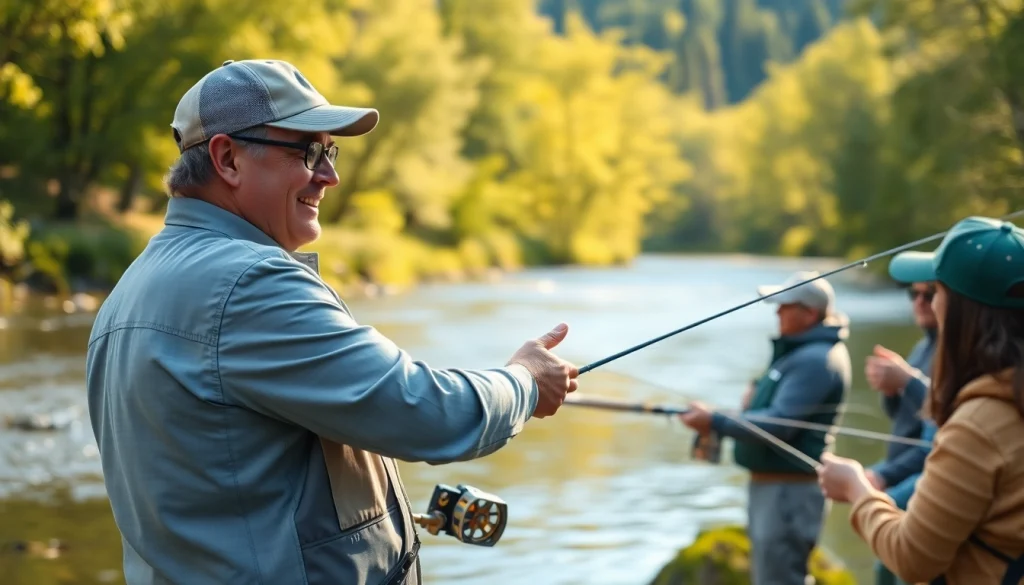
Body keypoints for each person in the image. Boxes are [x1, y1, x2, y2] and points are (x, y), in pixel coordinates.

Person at [85, 59, 579, 585]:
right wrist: (525, 382)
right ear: (227, 158)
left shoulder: (128, 292)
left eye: (330, 152)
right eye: (308, 151)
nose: (330, 175)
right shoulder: (249, 284)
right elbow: (428, 415)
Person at [818, 216, 1024, 585]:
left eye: (935, 292)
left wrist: (856, 488)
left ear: (960, 309)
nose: (926, 303)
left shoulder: (981, 425)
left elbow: (912, 559)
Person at [679, 271, 852, 585]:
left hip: (788, 494)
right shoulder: (801, 353)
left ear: (810, 313)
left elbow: (778, 425)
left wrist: (714, 421)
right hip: (775, 491)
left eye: (786, 305)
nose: (777, 311)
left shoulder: (816, 360)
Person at [864, 279, 939, 585]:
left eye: (929, 294)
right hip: (905, 480)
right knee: (885, 568)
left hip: (923, 487)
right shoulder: (923, 346)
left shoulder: (958, 353)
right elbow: (903, 417)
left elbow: (939, 432)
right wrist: (891, 389)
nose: (919, 301)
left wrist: (881, 480)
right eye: (914, 293)